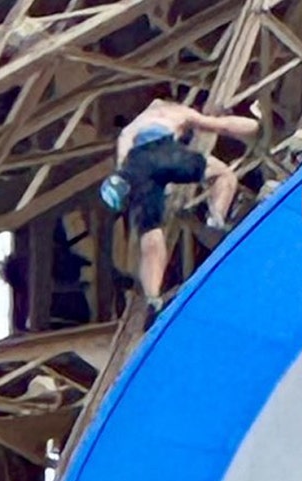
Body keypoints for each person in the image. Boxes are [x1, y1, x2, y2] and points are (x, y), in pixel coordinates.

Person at [99, 99, 259, 320]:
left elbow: (122, 162)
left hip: (136, 165)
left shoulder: (131, 127)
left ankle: (153, 299)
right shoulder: (176, 112)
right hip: (165, 150)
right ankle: (215, 220)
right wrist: (258, 127)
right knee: (223, 174)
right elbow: (222, 126)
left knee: (151, 235)